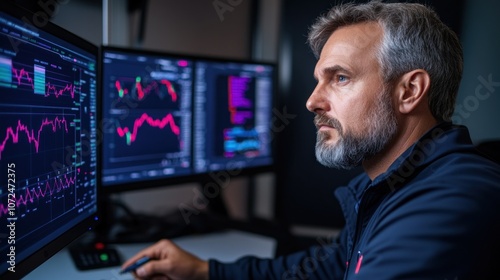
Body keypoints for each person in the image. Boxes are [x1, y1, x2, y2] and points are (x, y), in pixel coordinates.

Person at [122, 1, 500, 279]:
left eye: (340, 78)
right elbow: (329, 266)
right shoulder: (397, 188)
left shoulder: (451, 201)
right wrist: (205, 271)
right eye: (320, 79)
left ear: (409, 91)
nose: (312, 101)